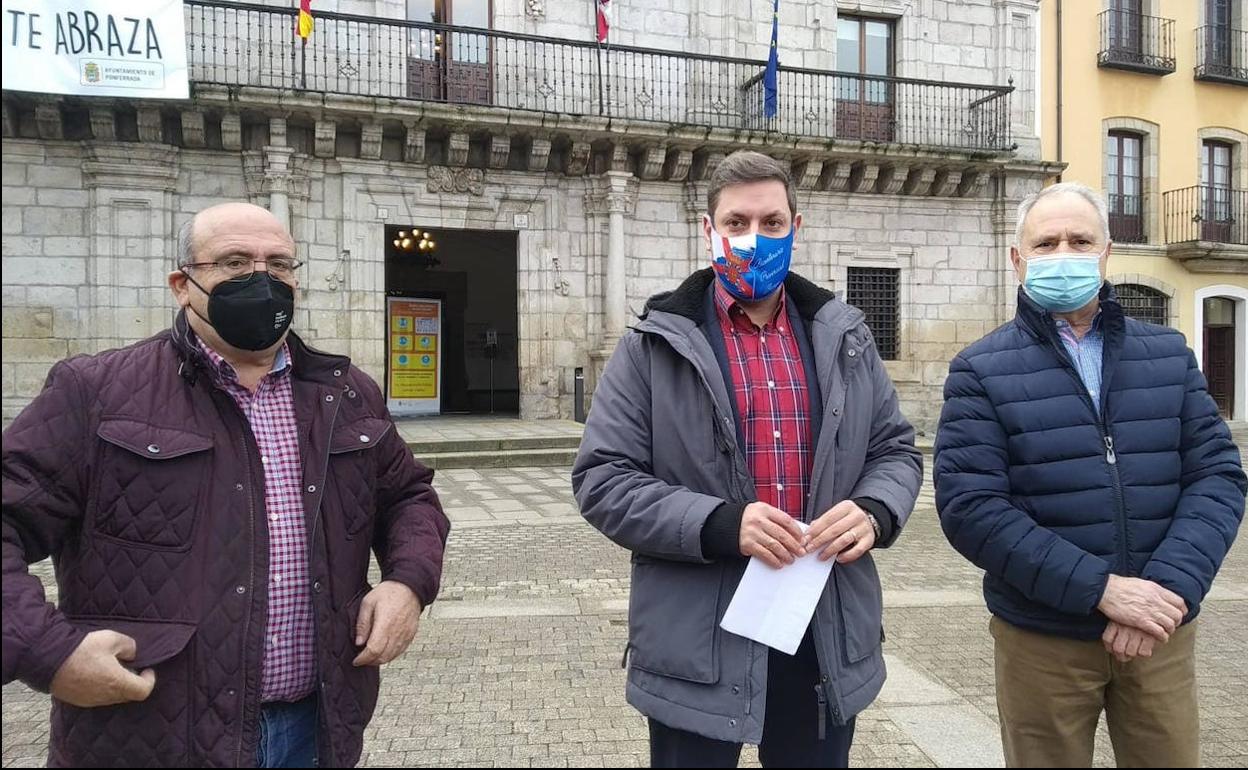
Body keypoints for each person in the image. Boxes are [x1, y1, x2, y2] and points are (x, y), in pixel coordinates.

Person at [2, 202, 451, 768]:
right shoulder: (95, 392)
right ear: (182, 285)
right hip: (150, 739)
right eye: (234, 263)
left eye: (279, 265)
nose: (261, 280)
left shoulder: (345, 392)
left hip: (315, 731)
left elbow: (409, 496)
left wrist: (408, 583)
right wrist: (48, 653)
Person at [573, 150, 922, 768]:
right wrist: (721, 524)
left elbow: (894, 448)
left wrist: (873, 511)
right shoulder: (652, 346)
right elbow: (604, 480)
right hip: (697, 636)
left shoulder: (847, 337)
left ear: (796, 227)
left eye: (771, 223)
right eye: (736, 223)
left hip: (821, 628)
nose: (753, 240)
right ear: (709, 231)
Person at [934, 182, 1245, 767]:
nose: (1063, 253)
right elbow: (972, 508)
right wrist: (1103, 592)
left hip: (1160, 630)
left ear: (1105, 253)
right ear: (1017, 260)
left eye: (1080, 240)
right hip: (1044, 636)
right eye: (1046, 242)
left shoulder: (1169, 354)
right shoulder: (980, 368)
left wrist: (1166, 590)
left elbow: (1218, 477)